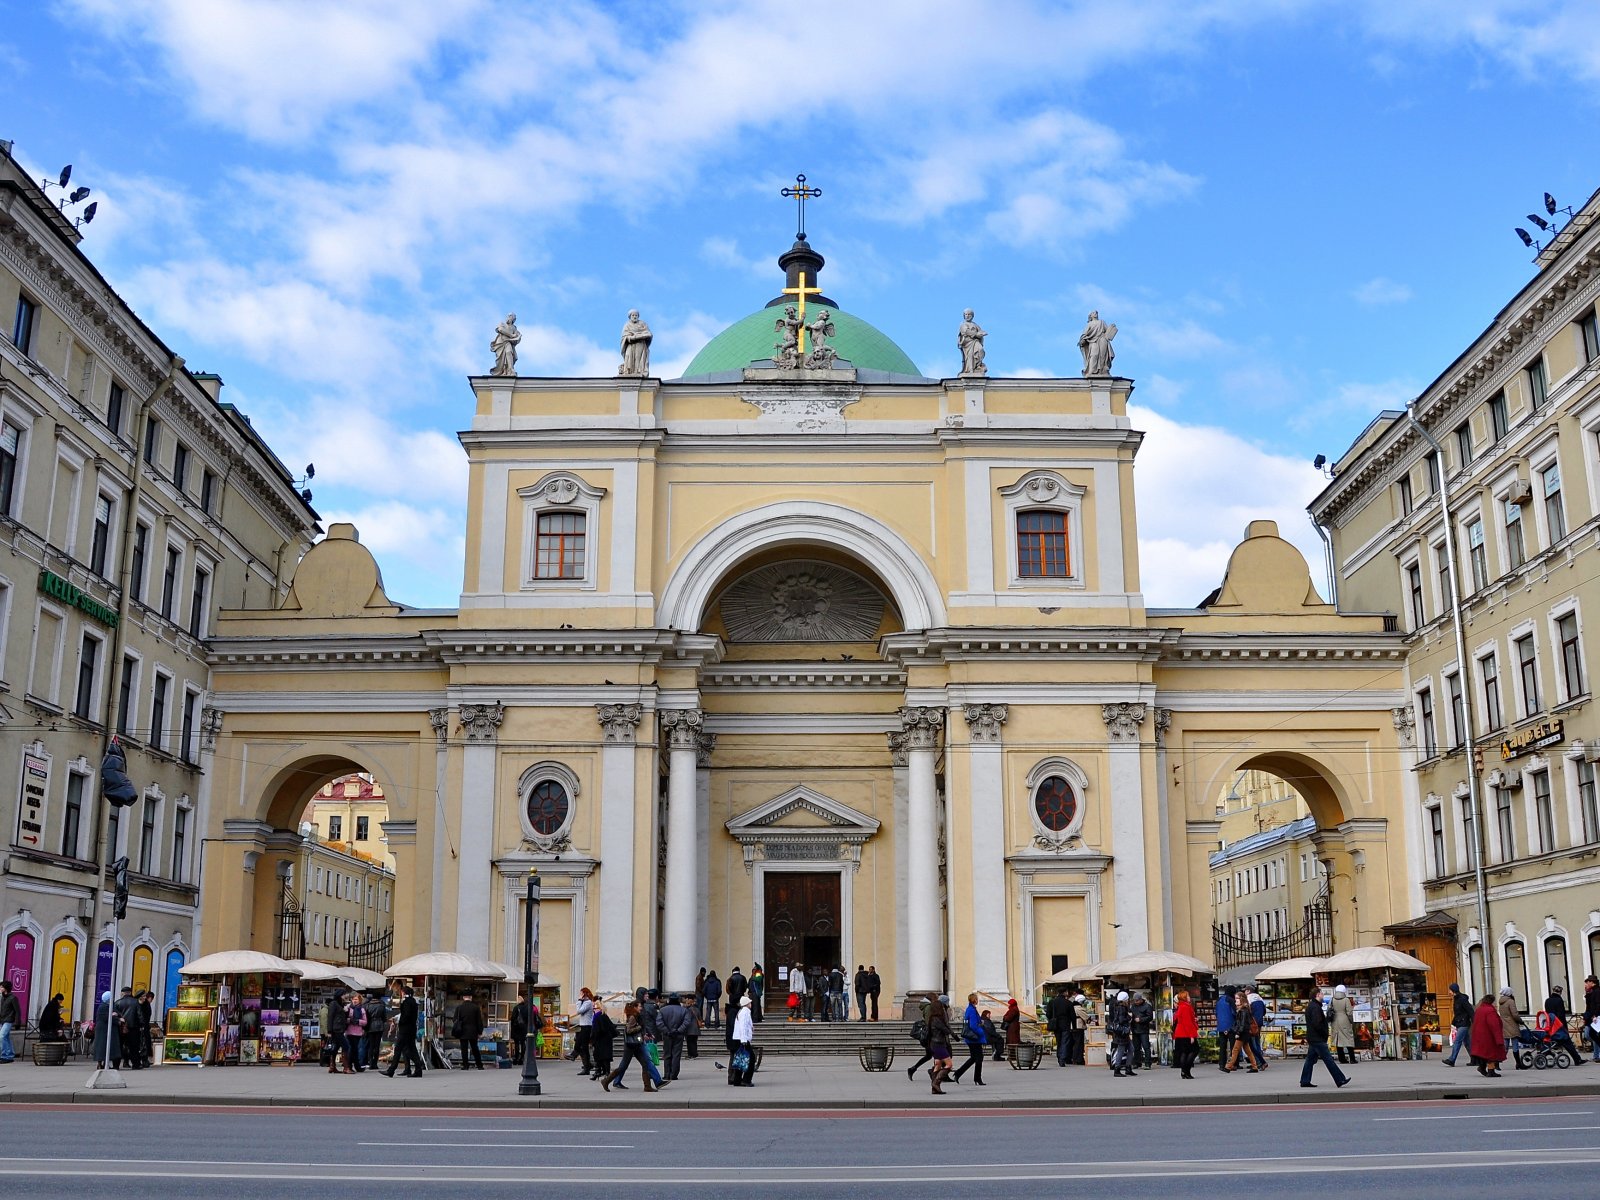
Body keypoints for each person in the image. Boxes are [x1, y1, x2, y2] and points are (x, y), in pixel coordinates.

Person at [602, 1000, 664, 1092]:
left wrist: (644, 1035)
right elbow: (628, 1030)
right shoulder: (632, 1017)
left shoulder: (637, 1016)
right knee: (623, 1066)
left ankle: (647, 1086)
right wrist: (639, 1027)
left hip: (637, 1044)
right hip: (631, 1045)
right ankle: (606, 1081)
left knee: (645, 1064)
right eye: (639, 1006)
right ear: (635, 1007)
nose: (641, 1008)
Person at [1299, 987, 1349, 1089]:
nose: (1323, 995)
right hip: (1318, 1038)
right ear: (1317, 995)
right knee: (1328, 1060)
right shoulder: (1315, 1008)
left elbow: (1318, 1021)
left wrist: (1327, 1018)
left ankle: (1305, 1080)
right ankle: (1340, 1079)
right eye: (1322, 993)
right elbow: (1317, 1023)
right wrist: (1324, 1033)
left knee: (1310, 1060)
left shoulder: (1312, 1006)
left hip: (1313, 1037)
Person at [383, 986, 424, 1078]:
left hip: (405, 1029)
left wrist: (400, 1022)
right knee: (412, 1049)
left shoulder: (406, 1002)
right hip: (412, 1028)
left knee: (398, 1049)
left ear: (403, 992)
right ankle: (418, 1069)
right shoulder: (413, 1001)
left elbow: (406, 1015)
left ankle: (391, 1070)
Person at [1539, 985, 1582, 1066]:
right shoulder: (1559, 1000)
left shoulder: (1547, 1000)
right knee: (1567, 1042)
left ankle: (1542, 1056)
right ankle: (1577, 1059)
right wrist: (1564, 1027)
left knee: (1548, 1042)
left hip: (1549, 1025)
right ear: (1560, 992)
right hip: (1558, 1025)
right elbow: (1561, 1015)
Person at [658, 992, 694, 1082]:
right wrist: (678, 1030)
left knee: (667, 1055)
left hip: (667, 1035)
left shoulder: (663, 1010)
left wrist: (666, 1031)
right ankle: (674, 1074)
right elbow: (687, 1022)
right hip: (678, 1035)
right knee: (676, 1054)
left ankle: (667, 1074)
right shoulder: (684, 1010)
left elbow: (659, 1022)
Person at [952, 993, 987, 1085]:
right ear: (974, 1000)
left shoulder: (971, 1009)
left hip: (972, 1038)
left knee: (974, 1058)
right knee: (979, 1058)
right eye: (976, 998)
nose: (977, 1000)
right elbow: (972, 1025)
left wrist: (980, 1022)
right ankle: (977, 1079)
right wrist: (981, 1032)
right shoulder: (971, 1010)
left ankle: (958, 1073)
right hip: (974, 1038)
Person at [1470, 993, 1507, 1077]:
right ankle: (1491, 1071)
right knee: (1491, 1054)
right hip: (1488, 1036)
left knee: (1483, 1053)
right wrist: (1499, 1038)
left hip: (1479, 1035)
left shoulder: (1479, 1009)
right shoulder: (1490, 1011)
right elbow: (1494, 1025)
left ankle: (1482, 1067)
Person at [1226, 989, 1263, 1072]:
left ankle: (1229, 1066)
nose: (1235, 1000)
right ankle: (1254, 1066)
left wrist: (1238, 1033)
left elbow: (1242, 1024)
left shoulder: (1243, 1010)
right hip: (1245, 1033)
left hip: (1242, 1033)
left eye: (1237, 998)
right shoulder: (1243, 1009)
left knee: (1235, 1050)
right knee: (1248, 1050)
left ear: (1241, 999)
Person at [926, 995, 955, 1094]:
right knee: (949, 1065)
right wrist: (952, 1034)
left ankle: (934, 1088)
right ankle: (936, 1083)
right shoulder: (937, 1019)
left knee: (937, 1064)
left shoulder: (932, 1018)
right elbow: (945, 1030)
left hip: (933, 1044)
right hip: (939, 1044)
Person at [1442, 982, 1473, 1067]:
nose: (1449, 992)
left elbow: (1470, 1010)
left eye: (1450, 990)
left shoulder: (1462, 999)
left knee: (1457, 1041)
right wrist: (1453, 1022)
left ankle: (1452, 1059)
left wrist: (1474, 1021)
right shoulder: (1456, 999)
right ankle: (1475, 1059)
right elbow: (1457, 1013)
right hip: (1460, 1022)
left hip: (1464, 1023)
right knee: (1467, 1042)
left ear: (1453, 990)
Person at [1078, 310, 1116, 376]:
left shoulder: (1102, 322)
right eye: (1093, 313)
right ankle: (1092, 371)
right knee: (1094, 355)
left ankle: (1103, 371)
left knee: (1102, 356)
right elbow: (1084, 334)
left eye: (1096, 312)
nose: (1096, 313)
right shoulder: (1089, 324)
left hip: (1102, 340)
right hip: (1093, 341)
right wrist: (1082, 340)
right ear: (1090, 316)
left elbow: (1107, 331)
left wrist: (1111, 328)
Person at [454, 991, 486, 1070]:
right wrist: (480, 1031)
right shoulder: (475, 1008)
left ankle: (465, 1065)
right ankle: (479, 1065)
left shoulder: (459, 1008)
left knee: (464, 1049)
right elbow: (479, 1021)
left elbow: (454, 1019)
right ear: (471, 998)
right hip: (473, 1031)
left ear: (463, 997)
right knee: (475, 1048)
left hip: (462, 1030)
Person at [1172, 989, 1200, 1079]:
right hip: (1186, 1033)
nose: (1189, 998)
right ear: (1184, 997)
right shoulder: (1186, 1007)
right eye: (1188, 996)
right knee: (1194, 1050)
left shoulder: (1180, 1007)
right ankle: (1186, 1070)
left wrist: (1194, 1020)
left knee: (1184, 1052)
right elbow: (1187, 1023)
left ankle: (1184, 1072)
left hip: (1180, 1033)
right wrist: (1192, 1035)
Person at [729, 995, 756, 1086]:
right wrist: (744, 1040)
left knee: (741, 1059)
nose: (751, 1004)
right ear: (746, 1004)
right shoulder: (745, 1012)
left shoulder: (741, 1011)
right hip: (742, 1039)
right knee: (751, 1059)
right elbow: (743, 1026)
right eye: (750, 1002)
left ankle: (737, 1080)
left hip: (739, 1038)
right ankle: (746, 1079)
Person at [1106, 990, 1133, 1076]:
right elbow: (1121, 1020)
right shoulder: (1122, 1008)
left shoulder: (1116, 1006)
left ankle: (1127, 1067)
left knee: (1130, 1048)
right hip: (1122, 1032)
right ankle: (1118, 1069)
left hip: (1119, 1032)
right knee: (1122, 1049)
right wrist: (1129, 1018)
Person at [89, 990, 119, 1068]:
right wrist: (114, 1016)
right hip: (105, 1030)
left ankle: (102, 1063)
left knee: (102, 1047)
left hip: (102, 1030)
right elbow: (107, 1018)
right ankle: (102, 1064)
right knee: (104, 1047)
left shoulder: (103, 1006)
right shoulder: (106, 1007)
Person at [1496, 987, 1524, 1068]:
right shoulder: (1510, 1001)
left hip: (1504, 1025)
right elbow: (1514, 1014)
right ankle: (1518, 1063)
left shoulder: (1501, 1002)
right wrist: (1520, 1021)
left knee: (1505, 1046)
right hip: (1512, 1024)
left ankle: (1497, 1062)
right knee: (1515, 1044)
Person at [619, 309, 652, 376]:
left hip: (641, 345)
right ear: (630, 316)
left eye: (636, 315)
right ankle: (629, 372)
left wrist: (637, 336)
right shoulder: (627, 325)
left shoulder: (643, 324)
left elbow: (649, 334)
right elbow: (625, 337)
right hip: (631, 346)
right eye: (633, 315)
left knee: (639, 359)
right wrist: (638, 336)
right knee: (629, 359)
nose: (634, 317)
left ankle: (639, 372)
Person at [1329, 984, 1356, 1065]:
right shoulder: (1346, 1000)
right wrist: (1351, 1021)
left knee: (1338, 1040)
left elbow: (1329, 1009)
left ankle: (1342, 1059)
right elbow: (1349, 1012)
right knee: (1348, 1038)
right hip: (1344, 1019)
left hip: (1335, 1020)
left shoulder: (1332, 999)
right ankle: (1352, 1058)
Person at [589, 999, 616, 1081]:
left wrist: (592, 1039)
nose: (594, 1010)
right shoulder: (604, 1016)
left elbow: (595, 1030)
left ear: (599, 1008)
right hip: (606, 1040)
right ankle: (604, 1072)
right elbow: (612, 1027)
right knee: (604, 1057)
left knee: (600, 1056)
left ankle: (600, 1072)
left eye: (595, 1008)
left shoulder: (597, 1017)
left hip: (600, 1040)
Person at [570, 986, 595, 1073]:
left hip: (587, 1026)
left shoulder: (588, 1003)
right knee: (578, 1044)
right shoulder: (585, 1002)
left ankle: (586, 1066)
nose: (579, 995)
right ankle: (586, 1064)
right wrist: (580, 1001)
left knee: (584, 1047)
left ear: (584, 994)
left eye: (580, 993)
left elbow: (579, 1011)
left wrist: (579, 1001)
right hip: (583, 1026)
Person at [1128, 992, 1155, 1070]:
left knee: (1146, 1047)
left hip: (1143, 1029)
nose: (1135, 1002)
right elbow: (1131, 1014)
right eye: (1134, 1000)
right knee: (1136, 1047)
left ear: (1140, 999)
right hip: (1135, 1029)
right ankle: (1137, 1062)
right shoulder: (1133, 1006)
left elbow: (1150, 1017)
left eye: (1137, 1000)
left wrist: (1141, 1020)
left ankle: (1147, 1063)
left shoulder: (1147, 1006)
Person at [957, 309, 987, 375]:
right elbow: (966, 332)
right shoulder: (963, 324)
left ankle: (978, 366)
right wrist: (976, 334)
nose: (967, 316)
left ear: (972, 316)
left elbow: (980, 332)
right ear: (964, 316)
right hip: (967, 343)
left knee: (980, 349)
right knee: (969, 357)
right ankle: (970, 369)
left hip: (975, 341)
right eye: (966, 314)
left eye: (969, 314)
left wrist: (982, 334)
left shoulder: (975, 325)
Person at [326, 990, 350, 1074]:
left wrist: (346, 1011)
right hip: (336, 1029)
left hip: (339, 1028)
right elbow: (330, 1017)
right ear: (340, 995)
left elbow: (341, 1016)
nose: (345, 996)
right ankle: (346, 1067)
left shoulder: (340, 1004)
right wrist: (329, 1031)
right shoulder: (334, 1004)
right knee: (346, 1046)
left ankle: (332, 1066)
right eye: (344, 994)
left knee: (335, 1047)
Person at [490, 312, 520, 376]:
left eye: (511, 317)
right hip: (500, 343)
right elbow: (500, 329)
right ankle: (503, 370)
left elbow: (517, 335)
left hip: (508, 342)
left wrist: (518, 336)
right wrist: (511, 335)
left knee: (509, 352)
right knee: (501, 358)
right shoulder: (502, 323)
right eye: (509, 316)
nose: (509, 318)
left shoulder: (514, 328)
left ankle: (510, 370)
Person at [364, 991, 387, 1071]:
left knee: (371, 1045)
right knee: (377, 1046)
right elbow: (384, 1017)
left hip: (370, 1026)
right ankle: (375, 1063)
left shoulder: (367, 1005)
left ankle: (370, 1062)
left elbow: (365, 1016)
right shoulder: (381, 1005)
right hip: (379, 1025)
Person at [1215, 984, 1236, 1071]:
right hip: (1230, 1025)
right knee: (1233, 1046)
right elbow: (1233, 1013)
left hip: (1221, 1025)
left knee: (1222, 1046)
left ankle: (1221, 1063)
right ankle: (1233, 1063)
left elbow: (1216, 1012)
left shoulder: (1219, 999)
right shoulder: (1230, 1000)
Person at [345, 992, 368, 1072]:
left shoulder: (362, 1009)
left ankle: (355, 1066)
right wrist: (349, 1020)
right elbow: (344, 1018)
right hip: (349, 1031)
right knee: (352, 1049)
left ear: (359, 1000)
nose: (355, 1001)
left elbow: (365, 1022)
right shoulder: (348, 1008)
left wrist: (358, 1021)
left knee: (355, 1049)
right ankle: (351, 1066)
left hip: (358, 1032)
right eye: (353, 999)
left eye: (356, 999)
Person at [0, 980, 20, 1064]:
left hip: (9, 1020)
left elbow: (17, 1010)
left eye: (1, 987)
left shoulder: (13, 998)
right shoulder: (2, 997)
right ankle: (10, 1054)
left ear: (6, 988)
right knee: (6, 1037)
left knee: (1, 1036)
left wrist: (17, 1022)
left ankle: (5, 1056)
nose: (0, 988)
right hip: (2, 1020)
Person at [1068, 993, 1091, 1065]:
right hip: (1078, 1027)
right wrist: (1089, 1020)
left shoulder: (1072, 1007)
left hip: (1072, 1026)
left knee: (1074, 1043)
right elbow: (1086, 1017)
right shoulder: (1079, 1008)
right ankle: (1078, 1059)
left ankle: (1073, 1058)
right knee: (1079, 1044)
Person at [509, 990, 528, 1066]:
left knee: (516, 1043)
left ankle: (516, 1058)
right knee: (523, 1043)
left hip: (517, 1028)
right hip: (524, 1028)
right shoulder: (526, 1008)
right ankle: (522, 1058)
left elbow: (513, 1018)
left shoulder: (516, 1008)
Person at [1584, 975, 1600, 1063]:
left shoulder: (1597, 991)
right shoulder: (1593, 992)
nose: (1587, 984)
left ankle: (1597, 1055)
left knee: (1593, 1034)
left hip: (1596, 1017)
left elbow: (1598, 1004)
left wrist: (1595, 1014)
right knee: (1591, 1034)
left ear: (1592, 982)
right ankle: (1597, 1055)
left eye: (1588, 982)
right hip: (1593, 1017)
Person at [1001, 997, 1022, 1063]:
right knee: (1012, 1042)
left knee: (1012, 1042)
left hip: (1012, 1028)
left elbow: (1008, 1018)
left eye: (1009, 1004)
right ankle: (1012, 1056)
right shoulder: (1014, 1009)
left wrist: (1004, 1017)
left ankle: (1012, 1056)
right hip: (1013, 1027)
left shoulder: (1013, 1009)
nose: (1008, 1005)